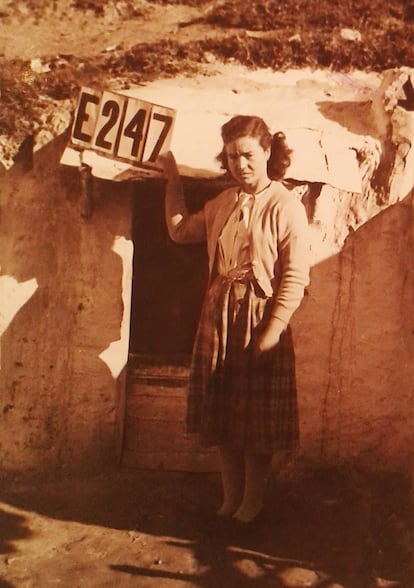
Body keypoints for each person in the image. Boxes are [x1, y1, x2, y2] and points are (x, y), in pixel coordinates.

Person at [161, 115, 310, 525]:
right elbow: (179, 232)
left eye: (248, 155)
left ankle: (253, 501)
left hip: (259, 315)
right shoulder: (222, 203)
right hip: (220, 311)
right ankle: (230, 499)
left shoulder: (286, 206)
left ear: (267, 153)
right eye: (232, 157)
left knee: (255, 418)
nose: (240, 164)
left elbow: (295, 277)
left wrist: (273, 330)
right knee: (224, 411)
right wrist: (172, 181)